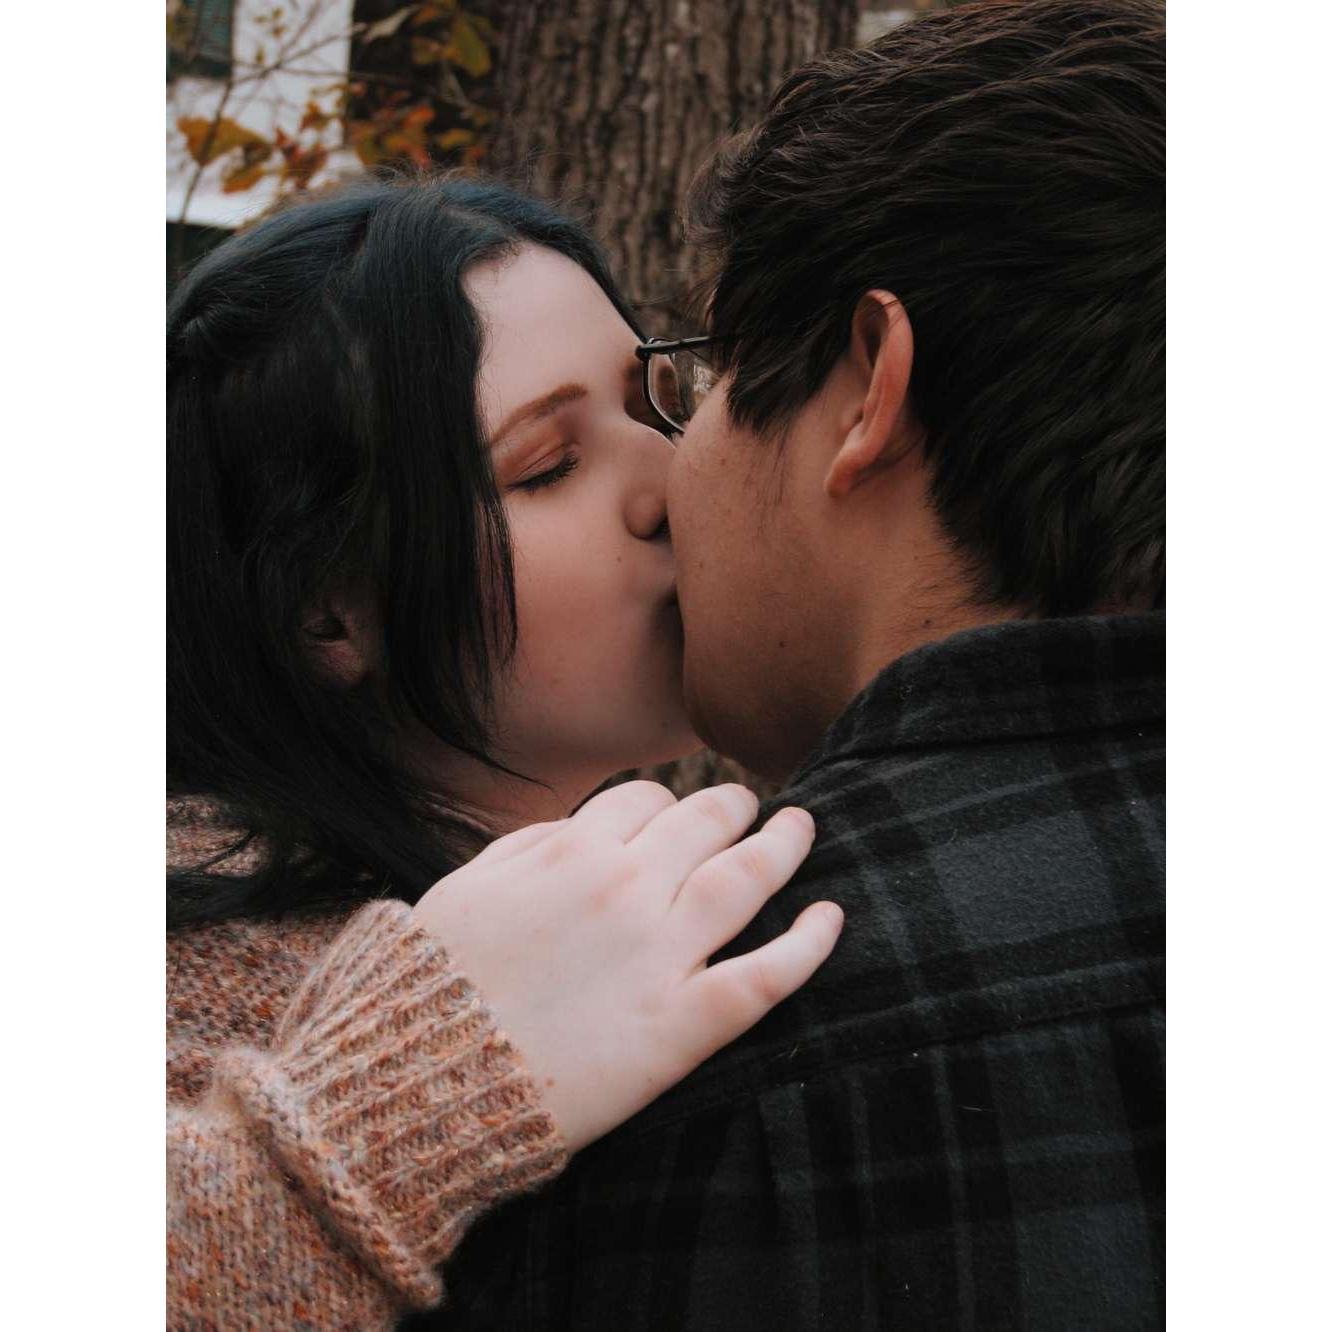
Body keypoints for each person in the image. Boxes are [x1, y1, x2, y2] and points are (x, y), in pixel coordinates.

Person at [436, 2, 1166, 1328]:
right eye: (545, 466)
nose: (662, 483)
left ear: (871, 386)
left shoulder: (651, 1057)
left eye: (698, 379)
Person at [165, 176, 845, 1329]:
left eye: (654, 401)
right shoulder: (184, 956)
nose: (672, 478)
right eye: (547, 467)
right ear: (330, 612)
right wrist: (408, 1102)